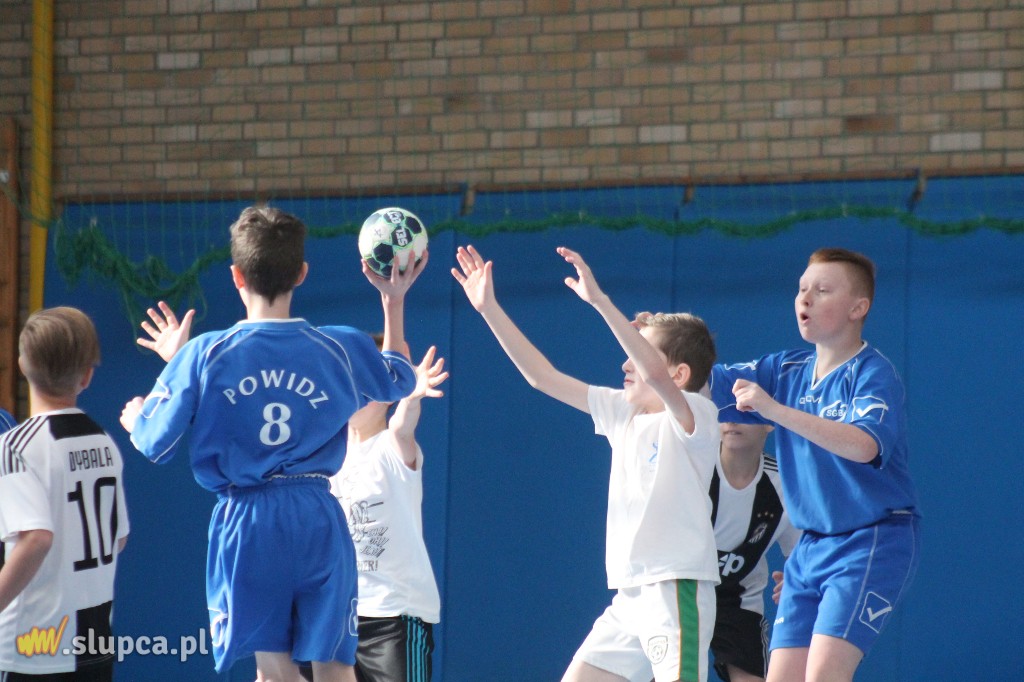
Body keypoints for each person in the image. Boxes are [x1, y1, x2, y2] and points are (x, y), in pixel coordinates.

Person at [119, 206, 424, 682]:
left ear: (236, 276)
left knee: (275, 673)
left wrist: (143, 408)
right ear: (302, 273)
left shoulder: (204, 354)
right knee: (335, 670)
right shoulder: (337, 347)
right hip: (319, 515)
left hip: (249, 521)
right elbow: (399, 379)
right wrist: (393, 300)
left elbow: (152, 442)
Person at [452, 245, 721, 682]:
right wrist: (489, 310)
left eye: (637, 353)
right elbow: (543, 377)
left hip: (677, 588)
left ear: (680, 375)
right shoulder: (623, 414)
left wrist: (601, 303)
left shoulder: (697, 417)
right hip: (630, 595)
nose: (623, 364)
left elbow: (651, 370)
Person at [707, 247, 919, 682]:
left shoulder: (873, 374)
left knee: (823, 676)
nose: (805, 298)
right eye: (802, 289)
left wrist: (774, 410)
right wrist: (654, 343)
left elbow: (863, 446)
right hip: (810, 549)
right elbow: (699, 380)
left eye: (822, 290)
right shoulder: (784, 369)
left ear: (858, 308)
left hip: (871, 539)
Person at [0, 307, 130, 680]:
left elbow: (36, 538)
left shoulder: (14, 447)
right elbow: (117, 538)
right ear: (87, 376)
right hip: (95, 639)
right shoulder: (104, 442)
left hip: (32, 644)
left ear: (23, 364)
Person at [328, 336, 447, 682]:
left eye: (367, 385)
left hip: (393, 618)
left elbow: (403, 425)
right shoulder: (329, 456)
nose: (356, 394)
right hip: (338, 618)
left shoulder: (392, 447)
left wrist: (411, 396)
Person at [709, 421, 799, 682]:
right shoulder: (691, 464)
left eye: (744, 411)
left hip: (738, 601)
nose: (732, 420)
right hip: (678, 593)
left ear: (769, 423)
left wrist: (797, 580)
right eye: (724, 410)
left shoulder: (786, 485)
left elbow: (804, 556)